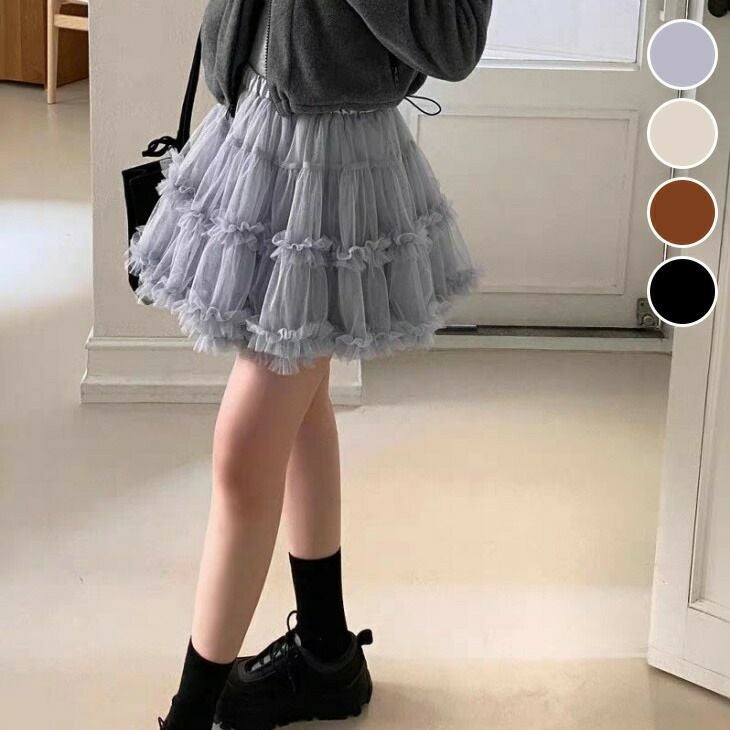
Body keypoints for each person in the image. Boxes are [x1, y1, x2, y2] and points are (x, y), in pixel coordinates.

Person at [126, 1, 493, 728]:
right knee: (301, 409)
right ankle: (326, 654)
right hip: (256, 126)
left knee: (243, 452)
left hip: (332, 161)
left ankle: (191, 717)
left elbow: (454, 41)